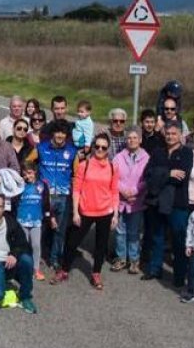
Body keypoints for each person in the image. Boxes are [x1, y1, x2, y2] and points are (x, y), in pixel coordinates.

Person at [54, 134, 119, 290]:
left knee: (101, 245)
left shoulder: (112, 167)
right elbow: (76, 189)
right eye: (97, 146)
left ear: (108, 149)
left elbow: (114, 191)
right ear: (93, 147)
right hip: (85, 210)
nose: (100, 150)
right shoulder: (85, 165)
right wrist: (76, 212)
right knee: (72, 243)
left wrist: (115, 214)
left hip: (105, 211)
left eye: (104, 147)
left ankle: (96, 272)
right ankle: (64, 270)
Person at [142, 123, 194, 285]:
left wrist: (160, 174)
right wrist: (169, 173)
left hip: (177, 203)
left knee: (178, 240)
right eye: (168, 133)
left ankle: (179, 276)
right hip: (157, 201)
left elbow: (182, 177)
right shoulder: (158, 152)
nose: (170, 136)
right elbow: (148, 174)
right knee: (157, 237)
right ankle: (155, 269)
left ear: (180, 135)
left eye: (173, 133)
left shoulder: (186, 153)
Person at [36, 121, 76, 269]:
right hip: (44, 196)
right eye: (57, 132)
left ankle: (54, 259)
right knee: (40, 228)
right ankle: (37, 256)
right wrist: (36, 180)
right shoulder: (40, 148)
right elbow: (26, 164)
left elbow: (77, 174)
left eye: (63, 133)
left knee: (60, 230)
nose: (60, 136)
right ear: (52, 133)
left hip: (63, 196)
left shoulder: (72, 151)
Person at [112, 127, 149, 274]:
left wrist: (133, 191)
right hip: (121, 200)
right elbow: (113, 176)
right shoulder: (118, 157)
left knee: (134, 232)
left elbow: (147, 179)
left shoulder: (147, 158)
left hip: (137, 201)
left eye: (135, 137)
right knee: (120, 231)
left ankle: (134, 260)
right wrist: (123, 191)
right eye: (129, 138)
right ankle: (121, 258)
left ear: (140, 139)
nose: (132, 140)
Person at [14, 164, 50, 282]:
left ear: (35, 172)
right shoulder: (19, 186)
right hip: (22, 220)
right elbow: (15, 202)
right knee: (23, 246)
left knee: (35, 245)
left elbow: (46, 202)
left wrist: (49, 216)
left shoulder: (42, 185)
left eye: (29, 173)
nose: (27, 176)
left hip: (36, 220)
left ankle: (36, 269)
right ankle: (21, 269)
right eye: (24, 174)